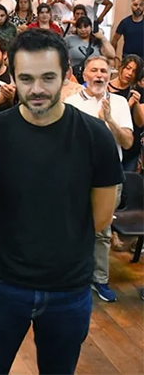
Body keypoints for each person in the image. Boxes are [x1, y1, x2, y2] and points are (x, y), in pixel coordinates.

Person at [0, 29, 123, 374]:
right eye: (26, 78)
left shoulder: (95, 136)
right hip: (3, 284)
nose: (36, 89)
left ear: (67, 74)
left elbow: (101, 215)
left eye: (47, 78)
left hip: (68, 288)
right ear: (12, 77)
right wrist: (15, 234)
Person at [65, 55, 133, 303]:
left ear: (110, 75)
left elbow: (127, 142)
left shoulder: (119, 103)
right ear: (84, 75)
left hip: (108, 178)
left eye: (104, 71)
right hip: (77, 176)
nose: (100, 75)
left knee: (102, 231)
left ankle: (100, 279)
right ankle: (74, 276)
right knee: (73, 228)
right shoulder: (71, 103)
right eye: (94, 70)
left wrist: (110, 120)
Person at [65, 17, 116, 83]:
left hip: (93, 75)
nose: (83, 30)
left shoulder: (97, 41)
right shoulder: (69, 39)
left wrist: (103, 38)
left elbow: (112, 55)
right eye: (80, 27)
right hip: (74, 74)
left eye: (86, 27)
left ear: (91, 27)